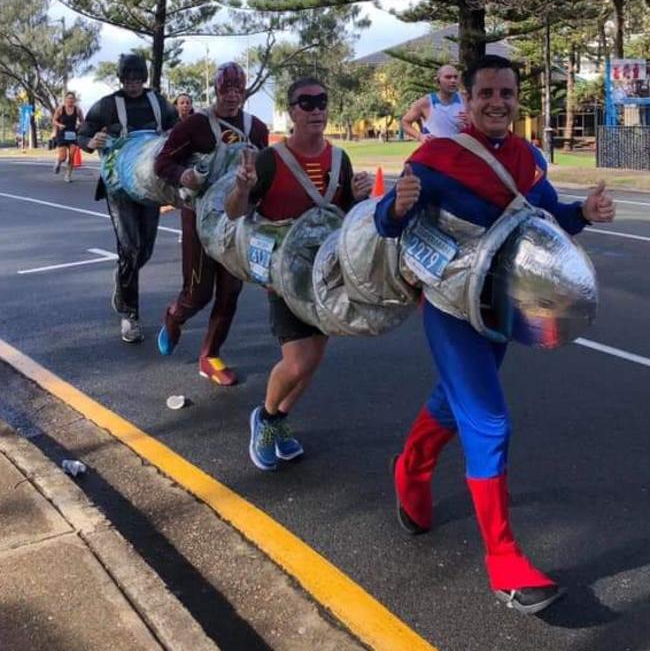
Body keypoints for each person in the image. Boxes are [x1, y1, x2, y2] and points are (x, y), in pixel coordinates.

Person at [375, 54, 615, 615]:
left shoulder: (528, 160)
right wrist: (396, 206)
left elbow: (549, 219)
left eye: (506, 93)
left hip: (499, 313)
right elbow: (392, 222)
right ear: (468, 99)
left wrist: (587, 210)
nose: (497, 102)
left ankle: (410, 468)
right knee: (488, 419)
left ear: (515, 98)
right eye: (486, 93)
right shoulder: (435, 158)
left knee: (451, 403)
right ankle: (504, 561)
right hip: (449, 312)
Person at [225, 77, 373, 471]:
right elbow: (235, 212)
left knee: (313, 359)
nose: (316, 110)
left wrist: (359, 198)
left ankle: (279, 420)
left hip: (326, 276)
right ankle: (267, 419)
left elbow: (341, 216)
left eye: (322, 102)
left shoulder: (340, 159)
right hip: (284, 277)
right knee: (296, 363)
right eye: (305, 103)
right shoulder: (270, 160)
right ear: (291, 112)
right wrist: (242, 188)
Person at [155, 62, 269, 386]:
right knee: (198, 292)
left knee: (230, 291)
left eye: (238, 90)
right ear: (216, 90)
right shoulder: (194, 125)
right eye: (226, 90)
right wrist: (184, 176)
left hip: (236, 218)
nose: (232, 97)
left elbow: (268, 171)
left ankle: (210, 355)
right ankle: (175, 316)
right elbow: (162, 162)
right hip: (199, 216)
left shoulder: (256, 128)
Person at [78, 53, 178, 344]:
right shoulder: (108, 104)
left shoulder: (158, 103)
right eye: (128, 80)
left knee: (144, 250)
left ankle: (122, 284)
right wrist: (90, 141)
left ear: (144, 78)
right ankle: (129, 314)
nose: (133, 85)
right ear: (121, 79)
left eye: (137, 79)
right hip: (119, 186)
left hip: (149, 185)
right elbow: (85, 132)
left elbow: (177, 127)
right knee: (130, 248)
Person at [402, 64, 467, 141]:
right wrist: (420, 136)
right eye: (448, 77)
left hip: (460, 150)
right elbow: (405, 122)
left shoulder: (466, 100)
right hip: (435, 150)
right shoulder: (425, 103)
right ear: (438, 81)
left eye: (455, 77)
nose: (453, 80)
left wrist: (472, 122)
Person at [52, 92, 84, 182]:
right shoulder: (60, 109)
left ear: (74, 100)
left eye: (72, 98)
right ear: (65, 99)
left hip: (73, 134)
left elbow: (82, 121)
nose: (70, 100)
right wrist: (59, 125)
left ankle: (68, 176)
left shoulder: (77, 110)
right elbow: (54, 120)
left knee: (71, 156)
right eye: (69, 98)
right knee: (63, 157)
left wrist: (80, 125)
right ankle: (58, 162)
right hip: (62, 134)